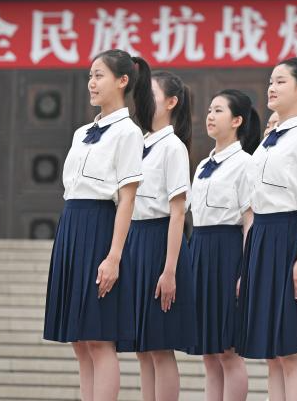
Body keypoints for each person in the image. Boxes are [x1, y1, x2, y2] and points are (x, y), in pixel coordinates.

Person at [43, 49, 153, 401]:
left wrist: (114, 256)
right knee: (79, 340)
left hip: (101, 227)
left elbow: (127, 199)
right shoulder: (81, 133)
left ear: (122, 81)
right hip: (72, 227)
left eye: (99, 75)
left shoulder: (128, 133)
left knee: (99, 339)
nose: (91, 82)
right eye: (90, 75)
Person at [237, 58, 297, 401]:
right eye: (270, 82)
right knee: (273, 354)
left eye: (280, 82)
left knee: (291, 350)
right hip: (262, 237)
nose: (271, 88)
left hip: (289, 235)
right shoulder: (269, 140)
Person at [121, 71, 198, 401]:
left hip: (159, 242)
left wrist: (169, 271)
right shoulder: (139, 144)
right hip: (135, 241)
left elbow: (178, 213)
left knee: (160, 347)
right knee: (142, 347)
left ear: (171, 102)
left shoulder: (172, 147)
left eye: (150, 94)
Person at [188, 88, 260, 401]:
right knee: (209, 351)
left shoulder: (245, 163)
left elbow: (249, 219)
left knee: (228, 350)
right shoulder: (203, 165)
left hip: (228, 252)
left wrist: (245, 269)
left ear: (237, 120)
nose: (210, 116)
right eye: (209, 110)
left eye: (218, 111)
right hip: (200, 250)